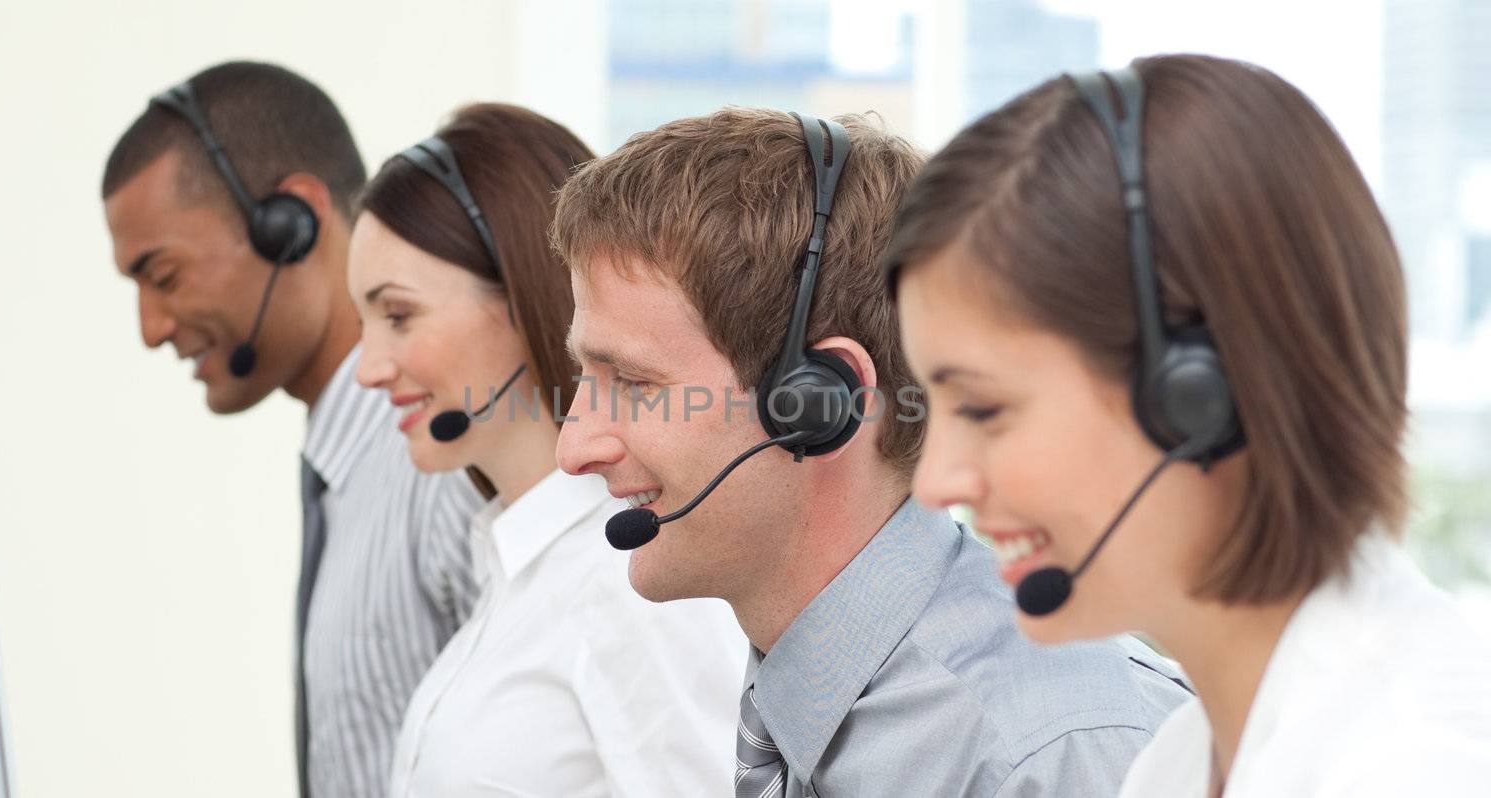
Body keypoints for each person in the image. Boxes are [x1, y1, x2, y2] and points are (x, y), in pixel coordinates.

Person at [884, 54, 1491, 797]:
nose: (936, 480)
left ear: (1206, 394)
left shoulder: (1414, 765)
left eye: (984, 408)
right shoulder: (1180, 761)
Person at [551, 107, 1191, 796]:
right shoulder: (801, 695)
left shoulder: (1049, 756)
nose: (573, 447)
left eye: (636, 383)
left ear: (819, 404)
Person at [101, 61, 482, 798]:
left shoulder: (444, 464)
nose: (150, 329)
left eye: (165, 275)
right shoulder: (351, 466)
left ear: (291, 224)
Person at [346, 103, 747, 797]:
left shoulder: (629, 582)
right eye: (364, 322)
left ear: (521, 291)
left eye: (399, 315)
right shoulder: (517, 567)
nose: (369, 367)